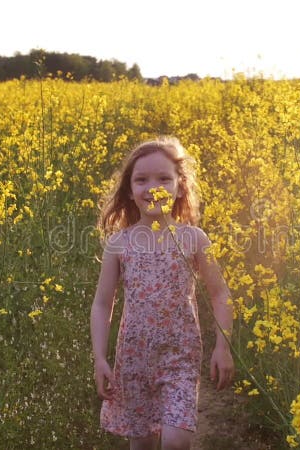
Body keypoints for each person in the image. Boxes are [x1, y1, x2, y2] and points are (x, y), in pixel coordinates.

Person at [91, 136, 235, 450]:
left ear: (180, 186)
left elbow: (220, 294)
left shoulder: (195, 239)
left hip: (180, 358)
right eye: (141, 180)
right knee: (142, 444)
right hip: (134, 361)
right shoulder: (119, 243)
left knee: (175, 441)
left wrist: (222, 347)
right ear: (130, 190)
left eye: (163, 179)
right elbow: (103, 304)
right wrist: (100, 358)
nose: (152, 187)